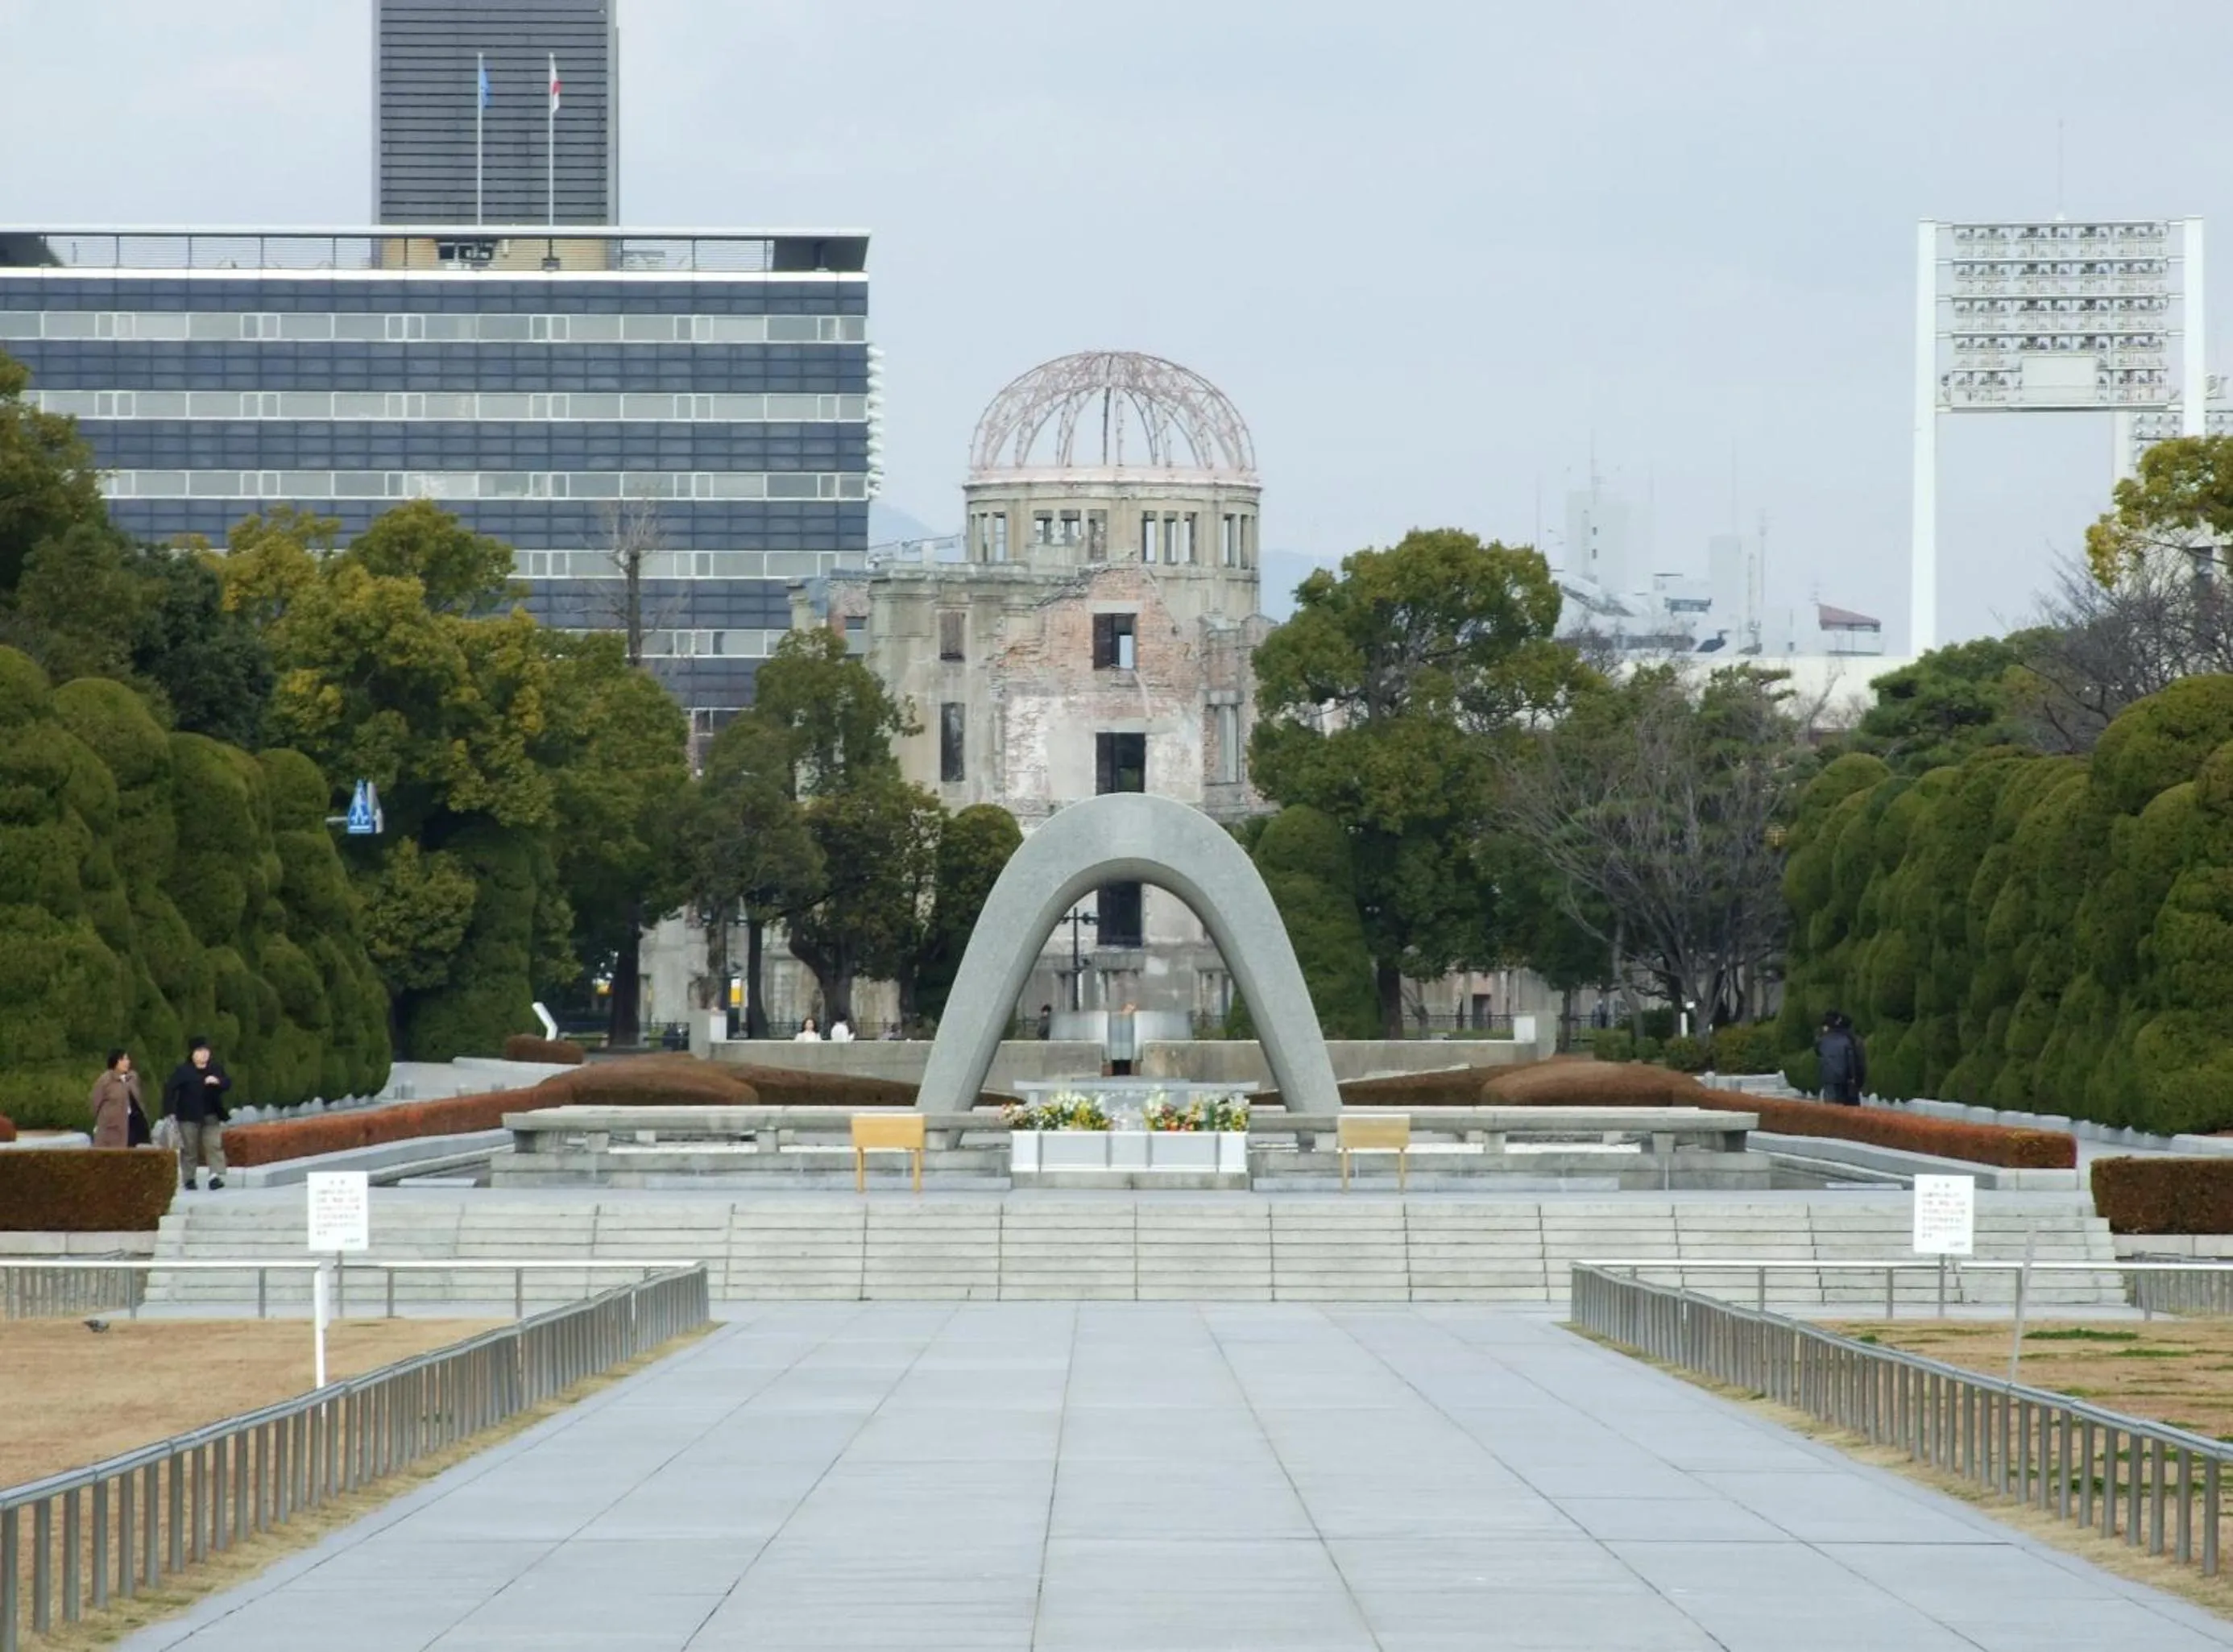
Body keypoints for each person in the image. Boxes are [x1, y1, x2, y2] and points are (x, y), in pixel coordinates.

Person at [161, 1036, 233, 1190]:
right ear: (193, 1053)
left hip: (211, 1114)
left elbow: (227, 1083)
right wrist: (169, 1111)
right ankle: (189, 1178)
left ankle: (215, 1176)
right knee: (189, 1149)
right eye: (200, 1051)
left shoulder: (215, 1068)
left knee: (214, 1145)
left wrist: (218, 1082)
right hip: (188, 1115)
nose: (204, 1054)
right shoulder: (183, 1071)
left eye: (206, 1051)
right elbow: (169, 1089)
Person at [89, 1050, 149, 1149]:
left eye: (127, 1059)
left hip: (132, 1125)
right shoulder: (105, 1080)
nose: (127, 1062)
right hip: (112, 1128)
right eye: (123, 1059)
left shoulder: (132, 1078)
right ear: (115, 1061)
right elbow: (95, 1103)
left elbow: (139, 1100)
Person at [1815, 1011, 1866, 1106]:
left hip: (1829, 1080)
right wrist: (1857, 1081)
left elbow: (1818, 1052)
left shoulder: (1823, 1040)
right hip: (1847, 1082)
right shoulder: (1852, 1040)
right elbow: (1857, 1064)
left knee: (1832, 1111)